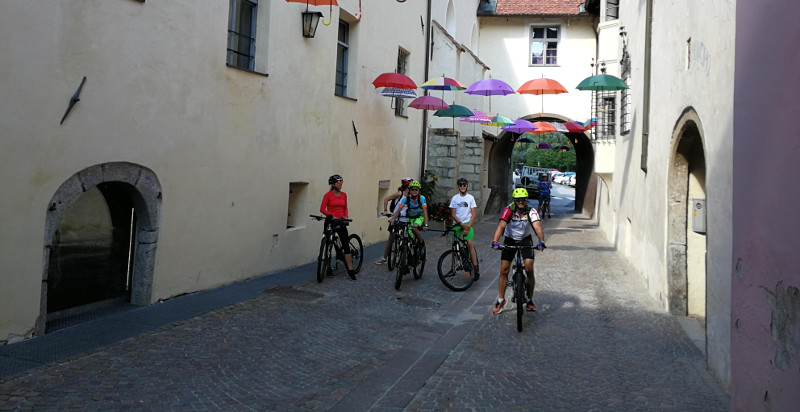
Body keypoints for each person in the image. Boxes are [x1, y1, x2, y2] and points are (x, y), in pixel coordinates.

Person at [490, 188, 545, 313]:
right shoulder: (508, 210)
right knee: (504, 270)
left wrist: (541, 241)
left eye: (523, 199)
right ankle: (500, 300)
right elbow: (501, 226)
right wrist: (495, 241)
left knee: (529, 268)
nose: (521, 202)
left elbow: (538, 228)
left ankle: (529, 299)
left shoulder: (531, 211)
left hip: (525, 240)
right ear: (514, 200)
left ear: (526, 200)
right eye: (518, 200)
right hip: (510, 240)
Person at [320, 174, 358, 281]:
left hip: (341, 221)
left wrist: (345, 216)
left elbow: (345, 207)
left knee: (345, 245)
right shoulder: (327, 195)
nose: (340, 184)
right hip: (331, 221)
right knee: (328, 244)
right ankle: (328, 268)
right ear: (333, 184)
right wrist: (330, 215)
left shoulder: (344, 195)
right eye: (338, 182)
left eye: (342, 182)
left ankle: (350, 270)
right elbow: (322, 209)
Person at [375, 177, 412, 265]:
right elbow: (386, 199)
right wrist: (385, 210)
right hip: (396, 218)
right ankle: (385, 257)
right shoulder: (400, 193)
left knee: (408, 237)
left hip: (406, 218)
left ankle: (407, 255)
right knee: (391, 238)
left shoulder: (412, 196)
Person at [388, 180, 429, 256]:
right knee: (407, 236)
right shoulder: (405, 199)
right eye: (412, 189)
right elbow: (398, 210)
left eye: (416, 189)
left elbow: (425, 212)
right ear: (409, 190)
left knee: (414, 228)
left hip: (419, 217)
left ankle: (421, 244)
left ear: (419, 191)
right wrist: (393, 218)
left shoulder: (422, 198)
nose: (414, 191)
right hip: (409, 218)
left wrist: (426, 224)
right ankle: (408, 254)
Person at [449, 177, 479, 278]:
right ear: (458, 187)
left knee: (470, 243)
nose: (462, 187)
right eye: (460, 185)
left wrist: (468, 226)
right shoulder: (455, 198)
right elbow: (453, 214)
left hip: (467, 223)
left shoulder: (470, 198)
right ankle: (452, 268)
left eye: (464, 185)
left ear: (467, 186)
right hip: (458, 224)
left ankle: (475, 268)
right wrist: (461, 224)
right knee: (454, 246)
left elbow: (473, 214)